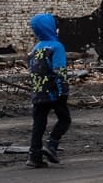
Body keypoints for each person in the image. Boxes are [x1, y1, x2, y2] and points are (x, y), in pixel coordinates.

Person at [26, 12, 70, 168]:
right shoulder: (57, 47)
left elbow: (31, 69)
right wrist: (63, 91)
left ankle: (34, 156)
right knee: (65, 119)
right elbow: (60, 71)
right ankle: (51, 145)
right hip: (54, 91)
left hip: (38, 92)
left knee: (39, 124)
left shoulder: (35, 48)